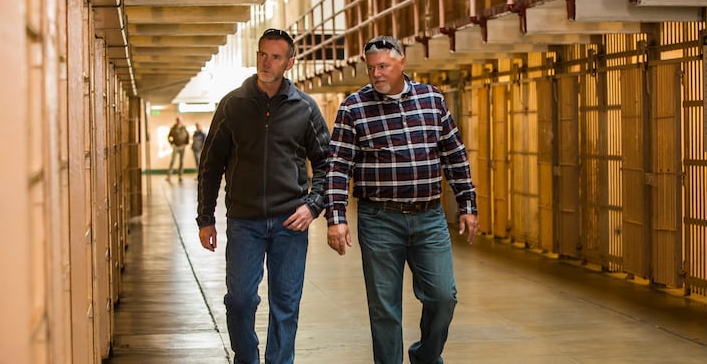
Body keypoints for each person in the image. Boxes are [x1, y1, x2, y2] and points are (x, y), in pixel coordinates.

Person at [324, 35, 479, 364]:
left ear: (402, 63)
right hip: (379, 220)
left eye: (383, 66)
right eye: (371, 68)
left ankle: (425, 356)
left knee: (443, 297)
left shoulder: (431, 99)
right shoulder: (354, 107)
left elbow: (454, 155)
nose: (376, 74)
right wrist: (336, 218)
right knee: (384, 309)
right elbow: (338, 167)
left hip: (429, 218)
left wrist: (467, 205)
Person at [196, 28, 331, 364]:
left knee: (285, 304)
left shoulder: (305, 108)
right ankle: (247, 359)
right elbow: (211, 164)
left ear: (289, 62)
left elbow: (328, 164)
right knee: (240, 300)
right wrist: (206, 218)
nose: (266, 62)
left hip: (291, 223)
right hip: (245, 222)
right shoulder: (233, 105)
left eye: (275, 57)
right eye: (262, 55)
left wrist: (313, 206)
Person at [167, 116, 189, 181]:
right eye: (177, 120)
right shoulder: (173, 128)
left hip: (182, 146)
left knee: (181, 161)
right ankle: (169, 176)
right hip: (176, 146)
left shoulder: (184, 128)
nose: (179, 121)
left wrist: (186, 143)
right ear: (176, 121)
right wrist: (172, 143)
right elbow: (169, 137)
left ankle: (180, 176)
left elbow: (187, 136)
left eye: (180, 120)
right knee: (172, 161)